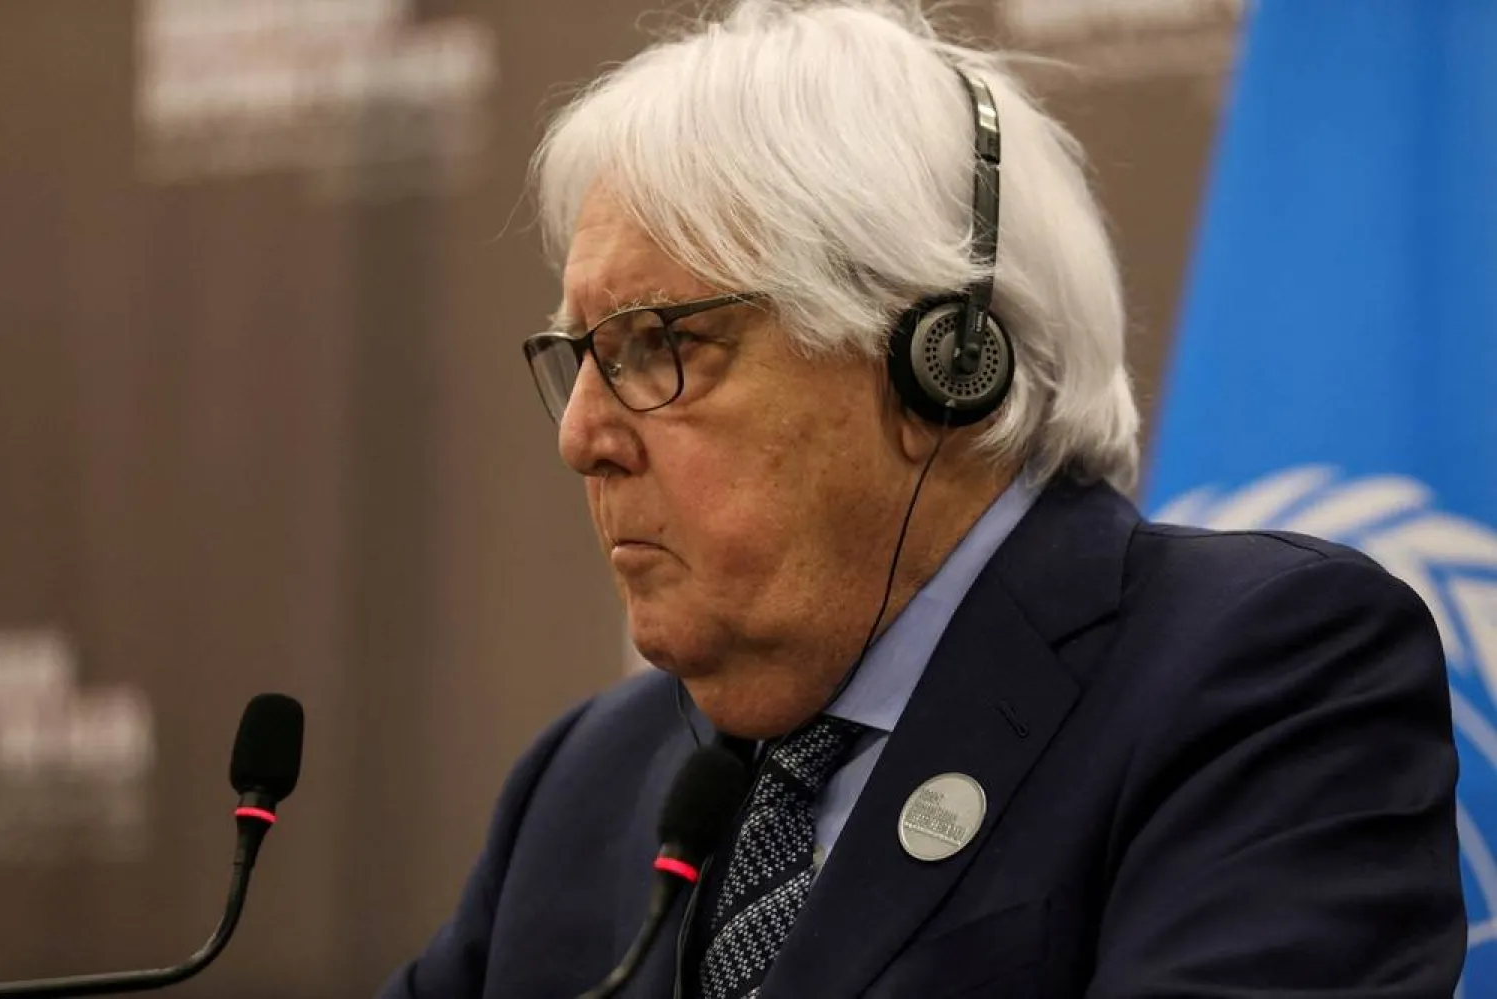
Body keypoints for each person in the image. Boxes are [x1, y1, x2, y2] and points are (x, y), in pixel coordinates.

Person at [378, 2, 1466, 995]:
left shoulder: (1262, 677)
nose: (581, 439)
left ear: (939, 363)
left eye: (660, 345)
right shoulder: (586, 785)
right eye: (582, 357)